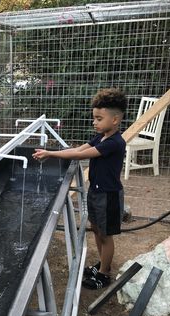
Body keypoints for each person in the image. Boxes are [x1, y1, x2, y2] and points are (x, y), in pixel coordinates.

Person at [32, 88, 127, 289]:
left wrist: (51, 154)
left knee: (105, 235)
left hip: (108, 195)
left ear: (115, 120)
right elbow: (76, 149)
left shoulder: (114, 143)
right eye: (94, 118)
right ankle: (103, 264)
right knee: (96, 229)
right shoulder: (99, 138)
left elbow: (79, 156)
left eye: (99, 118)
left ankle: (103, 274)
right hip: (96, 191)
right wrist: (53, 151)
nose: (95, 122)